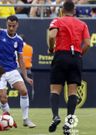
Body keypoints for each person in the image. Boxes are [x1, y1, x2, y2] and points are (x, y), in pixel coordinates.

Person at [0, 15, 36, 128]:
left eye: (13, 26)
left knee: (24, 91)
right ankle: (9, 119)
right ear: (6, 24)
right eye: (9, 25)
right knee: (3, 98)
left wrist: (25, 77)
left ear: (17, 25)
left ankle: (26, 119)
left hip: (12, 70)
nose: (11, 28)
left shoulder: (18, 40)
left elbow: (21, 59)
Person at [47, 0, 90, 134]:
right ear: (74, 10)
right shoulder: (82, 24)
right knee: (72, 92)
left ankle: (55, 116)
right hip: (75, 57)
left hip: (61, 55)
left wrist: (51, 48)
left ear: (62, 9)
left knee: (55, 90)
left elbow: (52, 35)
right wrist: (79, 54)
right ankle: (69, 124)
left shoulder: (57, 21)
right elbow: (87, 43)